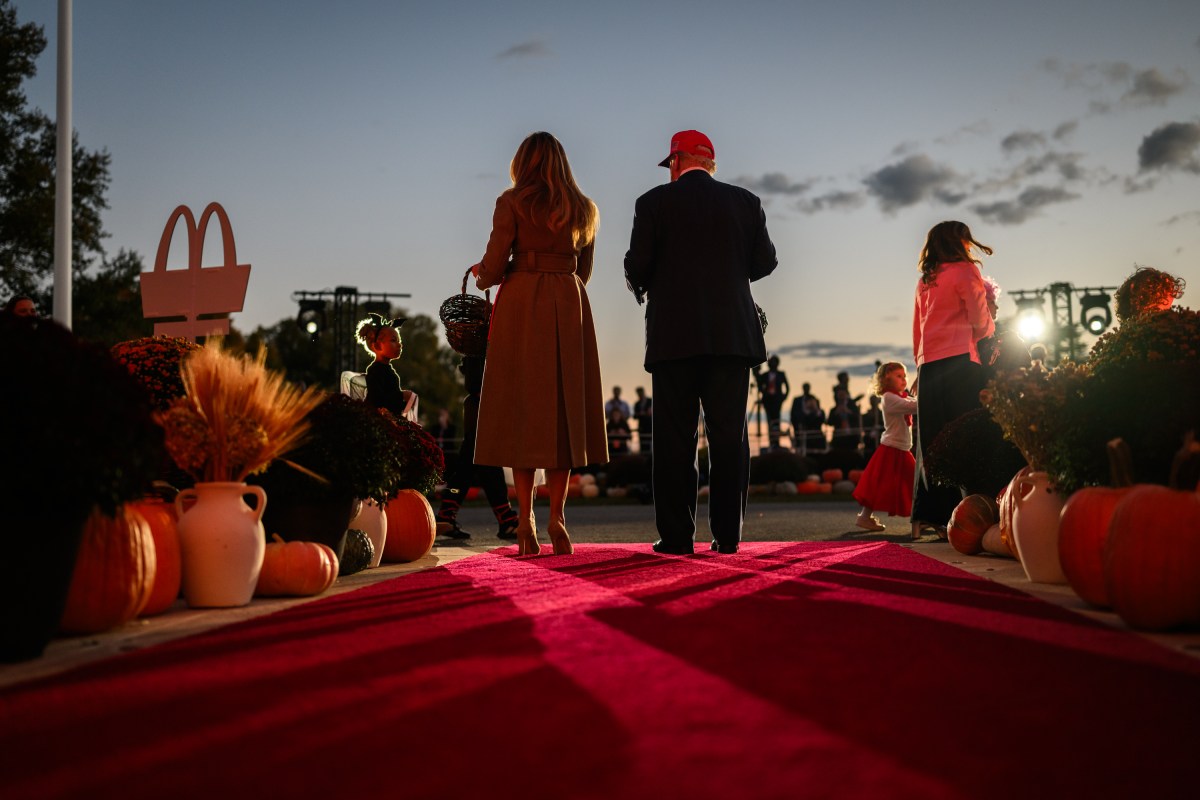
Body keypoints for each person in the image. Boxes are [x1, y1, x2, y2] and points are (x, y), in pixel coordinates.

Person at [624, 129, 778, 555]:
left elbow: (638, 265)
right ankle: (727, 536)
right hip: (732, 335)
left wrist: (644, 276)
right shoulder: (746, 202)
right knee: (730, 438)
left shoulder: (653, 202)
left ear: (676, 161)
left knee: (675, 438)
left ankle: (676, 537)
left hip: (673, 337)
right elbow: (765, 262)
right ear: (710, 162)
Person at [472, 131, 607, 557]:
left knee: (522, 410)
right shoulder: (584, 208)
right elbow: (584, 270)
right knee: (564, 413)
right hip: (569, 303)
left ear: (522, 162)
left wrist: (482, 274)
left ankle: (526, 520)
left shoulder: (511, 202)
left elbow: (493, 268)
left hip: (521, 305)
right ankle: (558, 519)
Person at [911, 220, 996, 538]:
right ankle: (973, 509)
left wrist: (919, 362)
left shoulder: (926, 279)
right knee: (965, 431)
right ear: (961, 241)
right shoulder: (965, 270)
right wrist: (989, 332)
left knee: (933, 439)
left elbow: (918, 326)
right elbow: (978, 315)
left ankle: (933, 513)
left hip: (929, 364)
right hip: (961, 360)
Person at [435, 355, 520, 541]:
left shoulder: (480, 341)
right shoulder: (479, 340)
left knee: (467, 469)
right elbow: (475, 381)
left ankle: (446, 515)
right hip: (481, 405)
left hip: (481, 404)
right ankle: (506, 520)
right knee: (488, 465)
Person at [851, 362, 918, 533]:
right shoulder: (889, 398)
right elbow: (913, 406)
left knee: (883, 484)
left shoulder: (899, 396)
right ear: (886, 379)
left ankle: (865, 517)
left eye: (904, 376)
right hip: (892, 448)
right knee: (910, 483)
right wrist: (925, 391)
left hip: (900, 448)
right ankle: (923, 517)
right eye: (898, 376)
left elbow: (911, 402)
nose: (903, 379)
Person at [354, 313, 415, 419]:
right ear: (377, 345)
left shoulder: (387, 370)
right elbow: (377, 401)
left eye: (399, 341)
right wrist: (402, 396)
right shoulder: (376, 370)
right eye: (393, 340)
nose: (399, 344)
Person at [756, 354, 789, 450]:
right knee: (769, 420)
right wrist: (764, 393)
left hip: (777, 401)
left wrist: (783, 398)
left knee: (776, 420)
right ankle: (772, 442)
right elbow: (759, 384)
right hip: (768, 401)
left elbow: (787, 387)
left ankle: (776, 442)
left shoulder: (781, 374)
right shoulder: (765, 375)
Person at [827, 386, 862, 451]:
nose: (841, 397)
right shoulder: (833, 410)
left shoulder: (853, 408)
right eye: (839, 395)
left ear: (846, 395)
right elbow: (829, 423)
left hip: (852, 438)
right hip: (838, 439)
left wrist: (848, 412)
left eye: (843, 395)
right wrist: (836, 413)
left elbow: (858, 419)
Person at [861, 394, 884, 460]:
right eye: (872, 401)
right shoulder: (866, 416)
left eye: (875, 401)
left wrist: (879, 428)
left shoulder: (882, 415)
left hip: (880, 440)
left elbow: (885, 426)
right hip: (869, 442)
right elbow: (864, 427)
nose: (873, 403)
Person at [633, 386, 653, 453]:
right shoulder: (637, 404)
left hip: (650, 426)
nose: (640, 395)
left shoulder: (650, 401)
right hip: (642, 428)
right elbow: (635, 416)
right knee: (643, 444)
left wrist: (644, 413)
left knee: (651, 443)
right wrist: (641, 414)